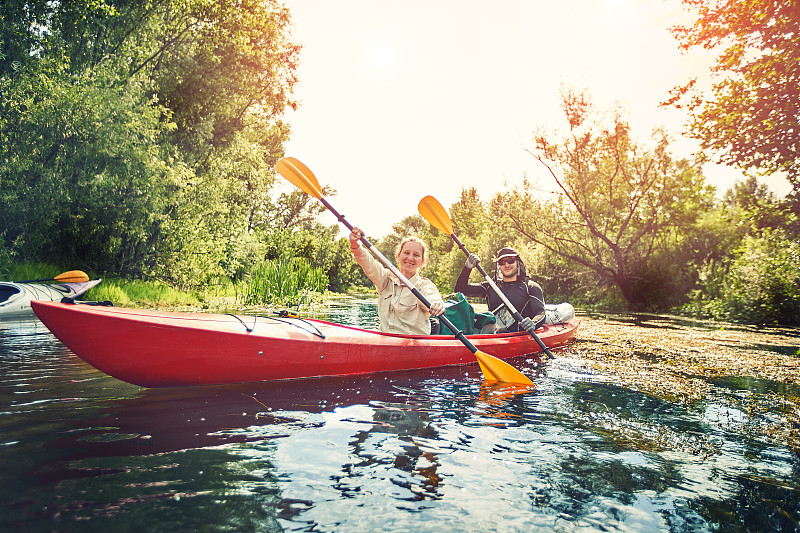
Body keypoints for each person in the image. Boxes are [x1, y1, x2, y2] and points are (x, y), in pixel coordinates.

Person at [349, 228, 445, 335]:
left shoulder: (424, 285)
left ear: (422, 261)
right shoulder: (385, 278)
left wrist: (436, 304)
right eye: (406, 253)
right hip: (385, 340)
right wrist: (355, 244)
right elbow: (367, 262)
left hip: (413, 345)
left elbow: (432, 297)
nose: (410, 258)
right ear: (399, 255)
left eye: (416, 255)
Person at [454, 247, 545, 334]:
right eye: (502, 262)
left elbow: (540, 312)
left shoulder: (531, 287)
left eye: (510, 261)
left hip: (520, 335)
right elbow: (460, 290)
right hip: (495, 335)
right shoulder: (491, 286)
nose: (506, 265)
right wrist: (467, 268)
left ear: (518, 263)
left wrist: (533, 323)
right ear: (499, 267)